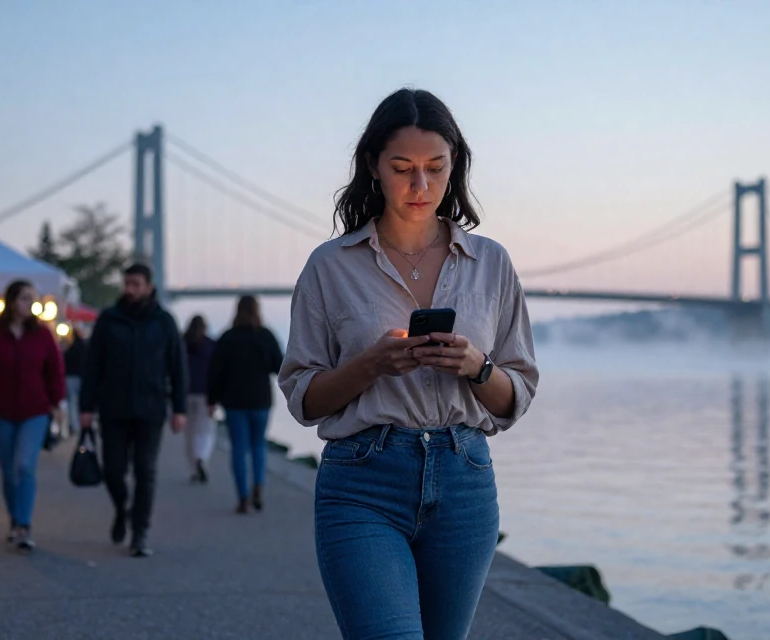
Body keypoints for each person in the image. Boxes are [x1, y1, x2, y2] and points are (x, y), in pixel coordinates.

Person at [277, 88, 539, 639]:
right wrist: (369, 364)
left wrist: (476, 366)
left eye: (434, 168)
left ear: (454, 167)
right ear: (373, 166)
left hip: (465, 483)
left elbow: (517, 395)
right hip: (362, 482)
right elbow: (303, 398)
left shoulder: (491, 263)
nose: (420, 186)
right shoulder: (329, 267)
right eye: (402, 168)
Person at [79, 263, 187, 558]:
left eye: (136, 284)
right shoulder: (109, 320)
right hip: (113, 408)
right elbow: (93, 367)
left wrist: (180, 408)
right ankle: (121, 508)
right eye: (127, 284)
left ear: (149, 287)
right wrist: (85, 406)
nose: (130, 289)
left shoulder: (163, 321)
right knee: (113, 470)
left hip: (151, 410)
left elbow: (178, 367)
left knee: (145, 472)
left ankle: (140, 533)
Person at [0, 280, 66, 551]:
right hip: (2, 411)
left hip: (35, 410)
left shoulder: (42, 335)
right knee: (9, 471)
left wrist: (57, 403)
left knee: (24, 466)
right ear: (12, 302)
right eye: (25, 298)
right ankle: (14, 517)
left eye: (32, 299)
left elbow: (54, 370)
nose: (29, 304)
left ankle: (24, 523)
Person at [207, 297, 283, 514]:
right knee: (259, 445)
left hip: (234, 402)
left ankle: (242, 497)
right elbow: (279, 366)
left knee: (239, 449)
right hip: (260, 400)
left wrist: (211, 400)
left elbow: (215, 373)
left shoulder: (226, 338)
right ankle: (258, 484)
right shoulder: (266, 336)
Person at [182, 315, 217, 484]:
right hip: (206, 393)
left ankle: (194, 467)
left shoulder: (183, 343)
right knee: (205, 431)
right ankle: (202, 457)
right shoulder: (211, 345)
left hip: (185, 392)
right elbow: (217, 371)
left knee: (189, 432)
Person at [62, 325, 88, 438]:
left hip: (72, 377)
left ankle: (75, 424)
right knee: (77, 402)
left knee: (72, 402)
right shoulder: (84, 347)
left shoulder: (72, 348)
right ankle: (77, 424)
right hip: (80, 377)